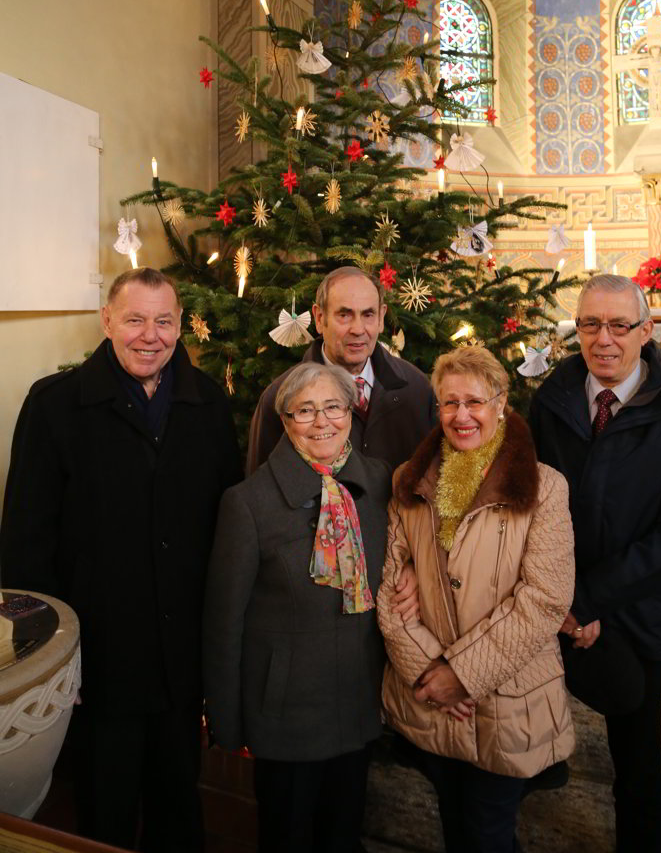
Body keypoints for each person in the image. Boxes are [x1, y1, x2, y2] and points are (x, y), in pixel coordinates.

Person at [1, 268, 242, 852]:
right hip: (100, 656)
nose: (150, 336)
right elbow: (26, 541)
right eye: (135, 319)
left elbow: (228, 533)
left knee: (177, 804)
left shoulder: (209, 403)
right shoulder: (55, 405)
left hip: (181, 657)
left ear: (181, 326)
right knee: (104, 809)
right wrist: (53, 659)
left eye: (164, 321)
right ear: (107, 321)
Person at [528, 273, 661, 853]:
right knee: (525, 734)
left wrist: (592, 600)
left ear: (646, 330)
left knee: (638, 763)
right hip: (555, 606)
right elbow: (531, 505)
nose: (603, 339)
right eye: (590, 324)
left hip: (637, 611)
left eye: (618, 325)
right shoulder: (553, 398)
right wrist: (565, 600)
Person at [377, 347, 575, 853]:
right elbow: (388, 590)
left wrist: (462, 676)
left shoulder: (545, 488)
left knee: (488, 834)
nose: (461, 415)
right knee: (453, 824)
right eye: (449, 402)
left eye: (474, 402)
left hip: (507, 702)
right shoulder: (409, 480)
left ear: (501, 403)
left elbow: (545, 600)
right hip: (431, 703)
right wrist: (429, 671)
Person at [203, 362, 403, 853]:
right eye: (305, 411)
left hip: (357, 698)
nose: (322, 422)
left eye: (333, 407)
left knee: (342, 834)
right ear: (285, 420)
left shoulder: (379, 481)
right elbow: (224, 622)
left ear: (351, 413)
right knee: (287, 837)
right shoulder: (248, 503)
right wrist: (227, 721)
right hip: (286, 711)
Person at [246, 266, 436, 474]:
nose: (358, 329)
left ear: (381, 318)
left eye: (368, 314)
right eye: (344, 315)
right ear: (320, 318)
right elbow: (260, 489)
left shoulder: (417, 390)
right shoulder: (280, 399)